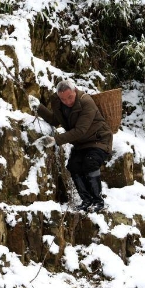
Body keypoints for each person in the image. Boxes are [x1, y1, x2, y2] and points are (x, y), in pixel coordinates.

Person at [28, 80, 113, 212]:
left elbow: (80, 130)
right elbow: (55, 120)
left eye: (70, 97)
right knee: (74, 166)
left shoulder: (86, 102)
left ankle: (98, 201)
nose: (67, 101)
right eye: (63, 99)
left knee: (90, 163)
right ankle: (86, 200)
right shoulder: (57, 102)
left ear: (75, 91)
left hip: (99, 139)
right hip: (80, 143)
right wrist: (39, 107)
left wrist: (55, 140)